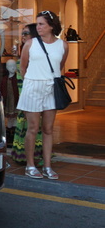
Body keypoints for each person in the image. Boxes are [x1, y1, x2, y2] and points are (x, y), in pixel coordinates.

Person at [16, 11, 68, 180]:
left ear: (52, 26)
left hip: (51, 87)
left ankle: (47, 166)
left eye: (41, 24)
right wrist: (32, 82)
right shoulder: (30, 44)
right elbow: (23, 67)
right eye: (37, 24)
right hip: (33, 86)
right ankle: (30, 165)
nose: (37, 27)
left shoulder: (63, 45)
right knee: (32, 128)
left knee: (48, 129)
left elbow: (59, 66)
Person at [9, 23, 43, 164]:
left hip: (31, 91)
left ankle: (32, 156)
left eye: (26, 33)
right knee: (27, 124)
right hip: (24, 91)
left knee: (32, 126)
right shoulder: (26, 48)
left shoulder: (35, 50)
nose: (22, 36)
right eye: (22, 33)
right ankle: (22, 155)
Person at [0, 59, 19, 146]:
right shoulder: (4, 79)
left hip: (15, 101)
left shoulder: (17, 78)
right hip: (8, 101)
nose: (13, 68)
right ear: (7, 68)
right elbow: (2, 90)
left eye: (14, 66)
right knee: (9, 117)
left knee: (14, 117)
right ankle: (9, 132)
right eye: (10, 66)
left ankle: (14, 132)